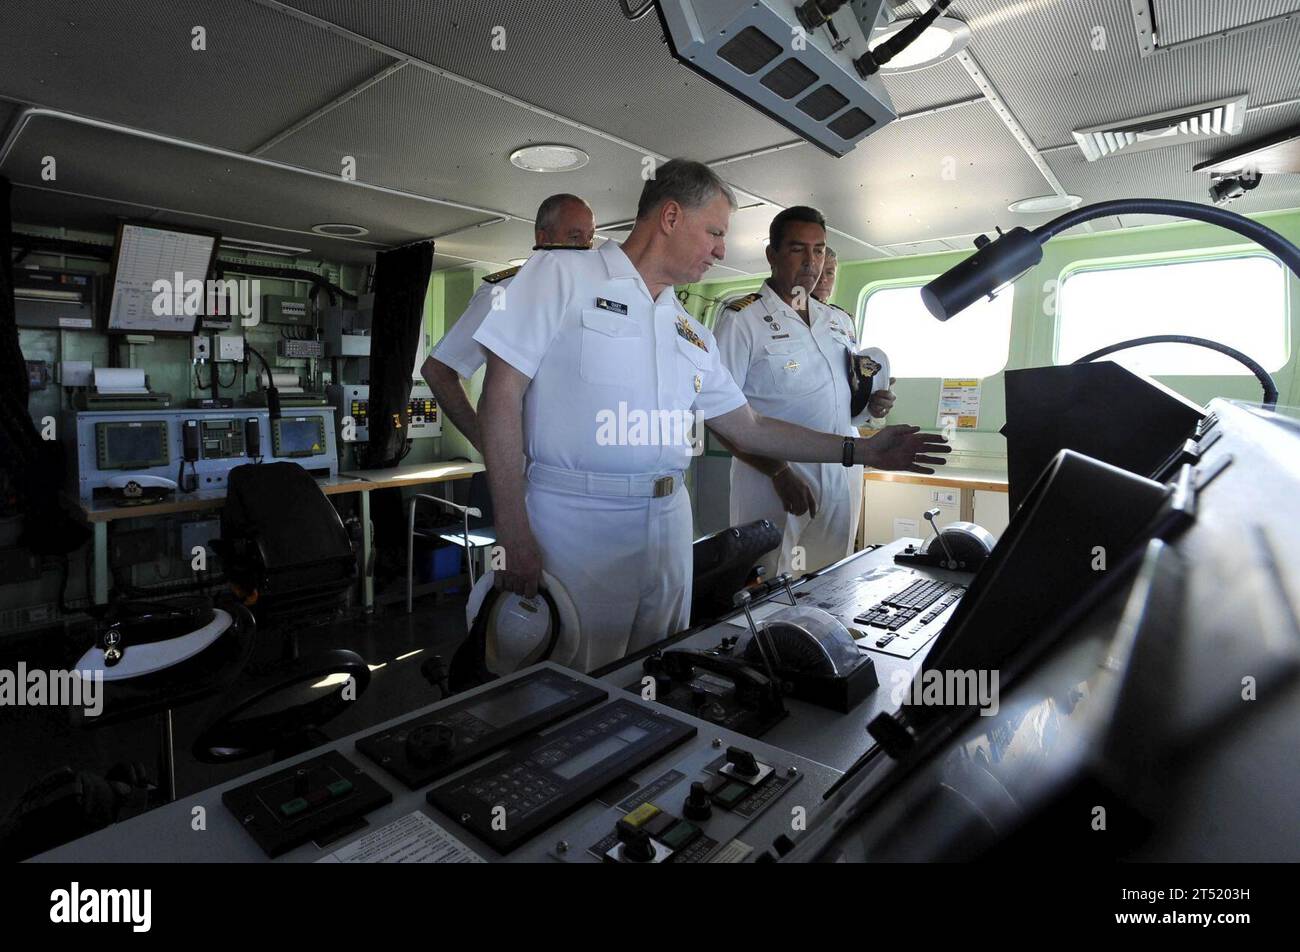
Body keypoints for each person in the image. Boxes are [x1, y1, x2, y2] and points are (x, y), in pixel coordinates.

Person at [472, 160, 948, 671]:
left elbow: (749, 426)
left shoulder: (687, 328)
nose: (722, 250)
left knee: (657, 671)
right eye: (716, 233)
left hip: (669, 524)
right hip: (575, 520)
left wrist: (863, 449)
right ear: (671, 217)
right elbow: (499, 396)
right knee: (567, 680)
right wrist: (512, 529)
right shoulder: (560, 275)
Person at [713, 210, 893, 578]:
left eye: (819, 251)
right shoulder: (741, 319)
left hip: (842, 471)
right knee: (768, 582)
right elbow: (718, 415)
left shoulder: (839, 321)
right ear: (772, 254)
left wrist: (870, 404)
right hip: (772, 477)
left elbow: (846, 400)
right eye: (798, 250)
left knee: (832, 576)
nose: (811, 263)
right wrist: (778, 473)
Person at [419, 194, 595, 451]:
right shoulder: (506, 292)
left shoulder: (593, 297)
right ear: (543, 239)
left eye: (591, 238)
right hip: (529, 470)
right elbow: (438, 370)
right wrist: (486, 443)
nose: (587, 248)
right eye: (575, 237)